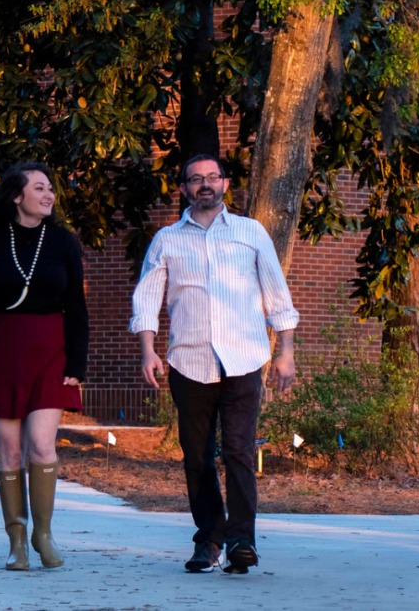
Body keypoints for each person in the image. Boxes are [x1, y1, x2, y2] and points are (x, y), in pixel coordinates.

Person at [130, 154, 298, 575]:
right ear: (184, 188)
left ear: (225, 183)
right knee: (196, 457)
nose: (205, 184)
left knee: (240, 450)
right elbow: (148, 298)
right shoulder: (167, 239)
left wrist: (286, 352)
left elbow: (277, 295)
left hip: (244, 360)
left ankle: (242, 541)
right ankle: (209, 540)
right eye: (195, 179)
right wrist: (147, 350)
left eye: (212, 177)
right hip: (189, 363)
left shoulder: (250, 232)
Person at [0, 161, 89, 571]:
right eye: (39, 188)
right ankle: (16, 540)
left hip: (50, 349)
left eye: (50, 189)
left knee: (42, 445)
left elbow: (78, 308)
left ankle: (43, 534)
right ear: (17, 196)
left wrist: (77, 363)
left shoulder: (65, 242)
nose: (49, 195)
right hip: (2, 349)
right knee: (10, 448)